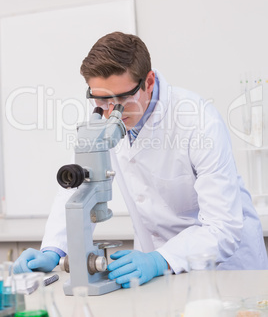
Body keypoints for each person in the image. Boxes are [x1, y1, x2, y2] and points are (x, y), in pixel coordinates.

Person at [13, 32, 268, 287]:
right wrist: (54, 250)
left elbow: (222, 226)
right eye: (101, 99)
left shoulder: (198, 121)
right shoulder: (100, 120)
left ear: (148, 81)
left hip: (226, 271)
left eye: (123, 98)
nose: (112, 111)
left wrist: (160, 259)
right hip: (155, 272)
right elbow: (79, 187)